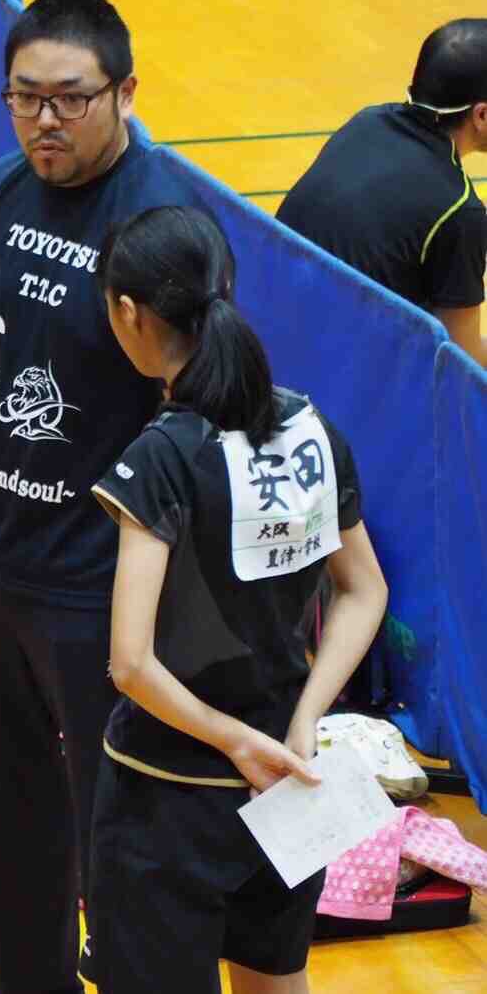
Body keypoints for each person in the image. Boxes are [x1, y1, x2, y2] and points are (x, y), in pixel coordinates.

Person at [0, 0, 201, 993]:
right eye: (24, 96)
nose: (44, 119)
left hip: (95, 589)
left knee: (112, 835)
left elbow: (188, 419)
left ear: (124, 91)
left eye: (69, 99)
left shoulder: (162, 227)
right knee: (1, 830)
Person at [86, 206, 389, 993]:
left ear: (128, 313)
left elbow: (130, 662)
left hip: (167, 798)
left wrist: (230, 741)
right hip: (292, 781)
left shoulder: (161, 457)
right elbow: (364, 592)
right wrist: (304, 716)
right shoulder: (308, 427)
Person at [277, 18, 487, 367]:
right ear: (481, 114)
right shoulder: (459, 210)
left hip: (268, 331)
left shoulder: (368, 122)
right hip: (331, 382)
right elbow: (460, 361)